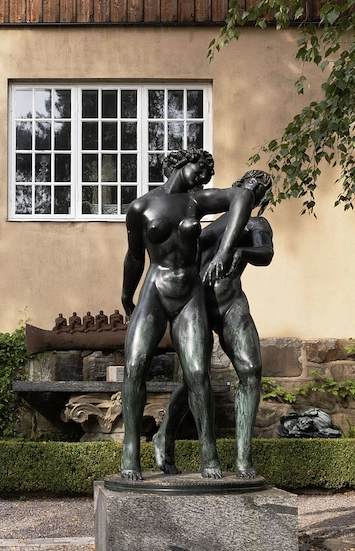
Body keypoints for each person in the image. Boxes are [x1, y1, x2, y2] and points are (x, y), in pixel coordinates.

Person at [120, 149, 256, 480]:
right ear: (181, 163)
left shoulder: (196, 202)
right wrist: (126, 296)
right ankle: (130, 452)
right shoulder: (141, 206)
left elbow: (242, 196)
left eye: (208, 174)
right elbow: (135, 257)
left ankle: (209, 454)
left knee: (197, 373)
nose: (203, 177)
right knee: (135, 366)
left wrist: (224, 252)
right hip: (155, 289)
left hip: (189, 294)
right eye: (200, 168)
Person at [154, 169, 275, 478]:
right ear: (237, 187)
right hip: (196, 304)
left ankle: (244, 459)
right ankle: (164, 434)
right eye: (252, 185)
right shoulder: (205, 223)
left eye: (261, 191)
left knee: (251, 370)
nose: (255, 192)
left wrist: (240, 250)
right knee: (194, 379)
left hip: (232, 302)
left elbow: (266, 254)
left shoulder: (256, 224)